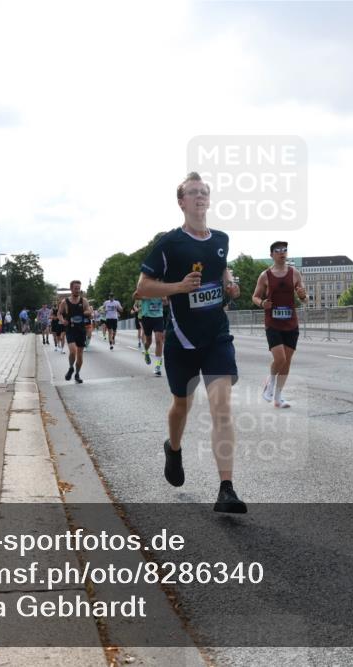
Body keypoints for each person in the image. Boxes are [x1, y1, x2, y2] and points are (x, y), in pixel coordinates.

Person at [135, 172, 245, 513]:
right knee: (181, 405)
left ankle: (226, 488)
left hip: (216, 336)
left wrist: (231, 286)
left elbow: (223, 275)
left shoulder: (221, 240)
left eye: (204, 192)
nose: (199, 197)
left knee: (221, 408)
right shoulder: (170, 244)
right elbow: (142, 288)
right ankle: (175, 448)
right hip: (181, 340)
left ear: (209, 200)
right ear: (181, 202)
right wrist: (178, 288)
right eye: (192, 192)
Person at [252, 241, 307, 408]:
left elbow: (304, 299)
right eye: (278, 251)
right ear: (272, 255)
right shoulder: (265, 275)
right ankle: (270, 383)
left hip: (291, 322)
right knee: (280, 358)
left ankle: (278, 397)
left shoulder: (295, 273)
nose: (282, 253)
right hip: (273, 322)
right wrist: (262, 303)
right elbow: (255, 297)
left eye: (284, 250)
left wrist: (303, 295)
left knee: (287, 361)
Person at [59, 280, 91, 383]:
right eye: (75, 288)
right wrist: (62, 320)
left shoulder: (83, 301)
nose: (77, 290)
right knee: (73, 351)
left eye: (79, 288)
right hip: (70, 329)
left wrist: (83, 312)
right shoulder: (65, 302)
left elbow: (89, 311)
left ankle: (77, 374)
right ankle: (70, 367)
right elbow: (59, 313)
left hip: (81, 330)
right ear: (71, 288)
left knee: (80, 354)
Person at [134, 292, 166, 376]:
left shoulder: (161, 288)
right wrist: (146, 296)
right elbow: (135, 296)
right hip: (147, 318)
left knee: (159, 340)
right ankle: (146, 351)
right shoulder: (145, 286)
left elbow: (166, 301)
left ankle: (158, 366)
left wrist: (164, 298)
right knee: (148, 341)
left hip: (158, 317)